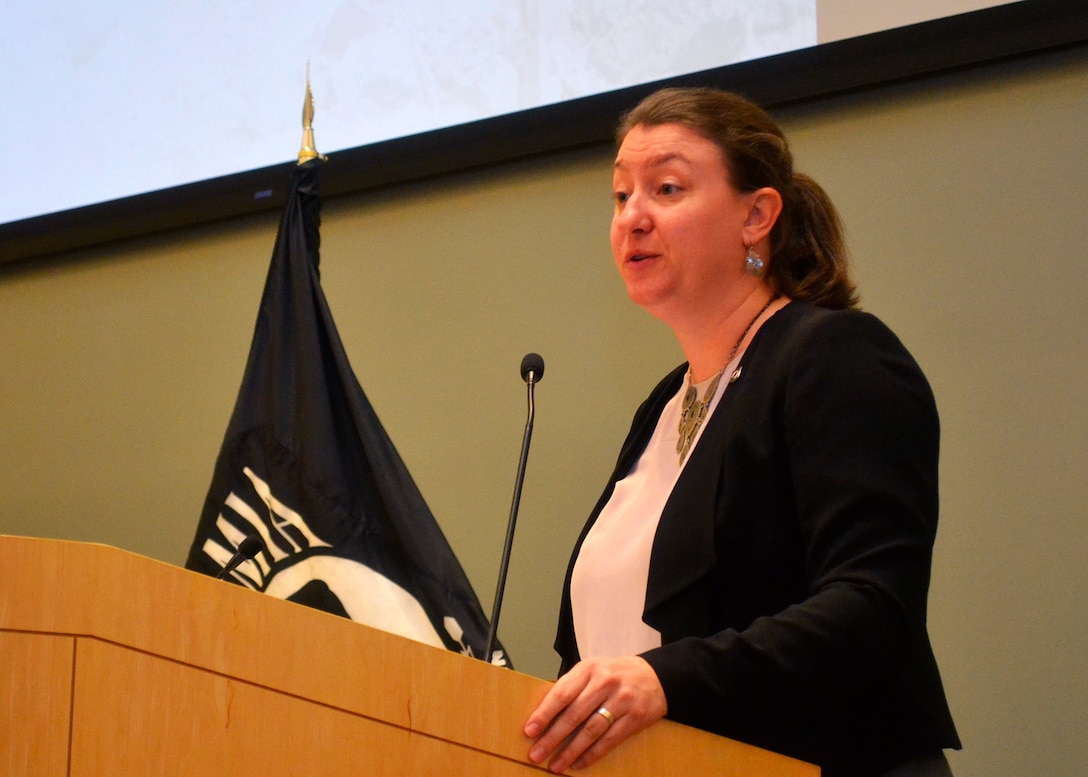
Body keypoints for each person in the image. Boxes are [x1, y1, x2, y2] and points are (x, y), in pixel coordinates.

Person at [523, 87, 961, 777]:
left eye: (665, 188)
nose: (633, 216)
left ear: (757, 215)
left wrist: (667, 678)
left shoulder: (834, 355)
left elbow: (873, 608)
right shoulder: (665, 406)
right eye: (619, 195)